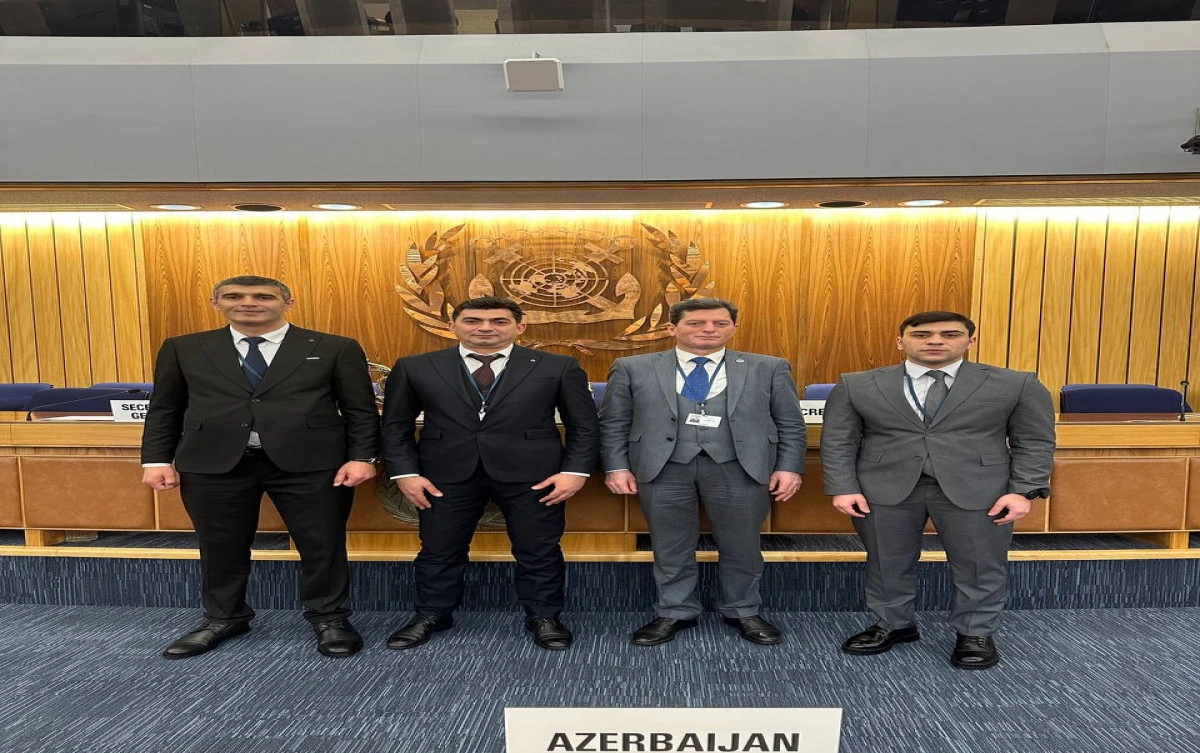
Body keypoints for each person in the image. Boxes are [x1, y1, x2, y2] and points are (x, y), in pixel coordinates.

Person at [141, 276, 379, 660]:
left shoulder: (334, 347)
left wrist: (362, 457)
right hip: (213, 463)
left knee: (322, 544)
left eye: (263, 296)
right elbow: (165, 408)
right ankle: (224, 617)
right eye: (234, 296)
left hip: (312, 463)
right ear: (216, 302)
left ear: (288, 302)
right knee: (219, 546)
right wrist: (156, 460)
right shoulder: (184, 348)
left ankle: (330, 618)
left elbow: (360, 409)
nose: (249, 302)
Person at [820, 311, 1055, 670]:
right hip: (884, 487)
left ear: (970, 341)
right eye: (922, 334)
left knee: (979, 565)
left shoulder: (1015, 383)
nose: (935, 341)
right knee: (886, 561)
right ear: (900, 341)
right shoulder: (857, 384)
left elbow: (1035, 441)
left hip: (980, 488)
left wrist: (1022, 491)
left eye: (949, 334)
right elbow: (838, 440)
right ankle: (893, 624)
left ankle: (975, 633)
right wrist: (842, 487)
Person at [380, 297, 599, 651]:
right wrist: (405, 473)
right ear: (452, 326)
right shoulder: (415, 366)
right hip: (444, 474)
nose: (485, 328)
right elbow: (394, 426)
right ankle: (431, 614)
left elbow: (584, 425)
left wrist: (574, 471)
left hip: (534, 475)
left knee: (538, 550)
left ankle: (544, 616)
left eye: (498, 321)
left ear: (520, 327)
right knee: (438, 549)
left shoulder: (558, 366)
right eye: (473, 320)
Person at [599, 298, 806, 647]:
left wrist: (789, 467)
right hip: (663, 467)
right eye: (696, 323)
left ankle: (743, 610)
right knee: (670, 545)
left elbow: (790, 423)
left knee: (742, 545)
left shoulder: (768, 367)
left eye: (719, 323)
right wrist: (616, 466)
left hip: (740, 467)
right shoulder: (632, 367)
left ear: (734, 328)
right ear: (672, 328)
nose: (708, 329)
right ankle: (674, 610)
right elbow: (614, 422)